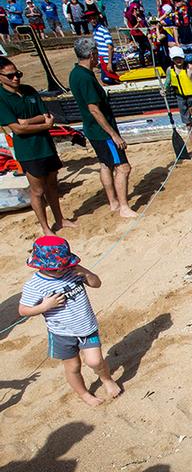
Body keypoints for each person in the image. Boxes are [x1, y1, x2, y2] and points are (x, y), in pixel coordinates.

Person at [18, 236, 122, 406]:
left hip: (86, 326)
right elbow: (23, 310)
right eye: (54, 268)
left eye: (62, 266)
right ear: (40, 265)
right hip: (61, 333)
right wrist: (45, 306)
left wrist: (86, 273)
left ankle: (107, 379)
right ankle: (84, 394)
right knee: (73, 367)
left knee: (95, 361)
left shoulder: (73, 270)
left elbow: (97, 283)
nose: (60, 270)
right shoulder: (35, 285)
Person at [0, 57, 73, 236]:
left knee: (52, 185)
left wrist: (28, 122)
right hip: (28, 150)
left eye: (18, 74)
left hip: (45, 145)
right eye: (10, 76)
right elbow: (17, 129)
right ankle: (45, 228)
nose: (16, 78)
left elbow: (45, 115)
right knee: (38, 190)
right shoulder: (2, 98)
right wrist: (42, 125)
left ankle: (59, 219)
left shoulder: (29, 90)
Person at [68, 38, 135, 219]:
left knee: (105, 164)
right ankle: (124, 207)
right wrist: (114, 135)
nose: (99, 57)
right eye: (97, 54)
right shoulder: (84, 77)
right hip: (101, 131)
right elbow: (94, 110)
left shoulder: (76, 73)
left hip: (92, 129)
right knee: (123, 167)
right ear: (92, 55)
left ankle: (113, 202)